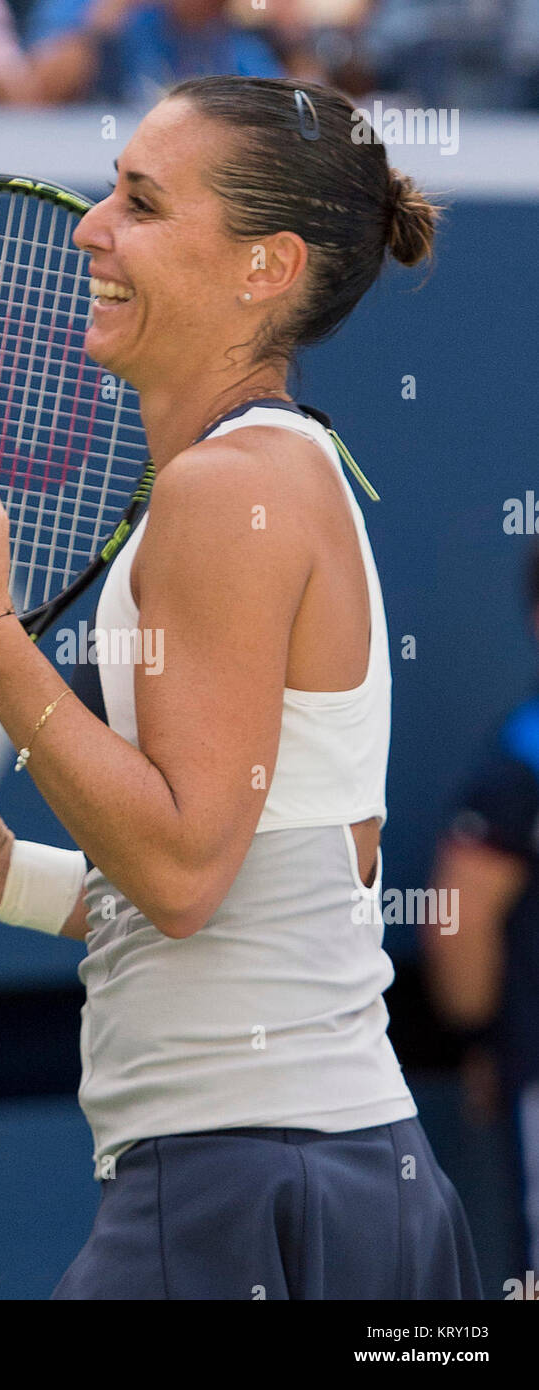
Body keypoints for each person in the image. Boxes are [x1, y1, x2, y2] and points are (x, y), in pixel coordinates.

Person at [0, 76, 482, 1299]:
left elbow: (188, 873)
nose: (90, 228)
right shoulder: (273, 475)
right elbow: (265, 895)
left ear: (268, 267)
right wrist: (14, 879)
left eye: (141, 202)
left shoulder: (225, 493)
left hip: (243, 1184)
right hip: (329, 1179)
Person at [426, 543, 539, 1284]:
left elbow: (461, 921)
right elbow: (461, 918)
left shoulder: (520, 757)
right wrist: (482, 1037)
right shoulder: (521, 761)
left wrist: (481, 1036)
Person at [26, 0, 284, 106]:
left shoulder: (240, 46)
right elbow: (37, 97)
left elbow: (284, 117)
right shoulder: (87, 11)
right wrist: (99, 27)